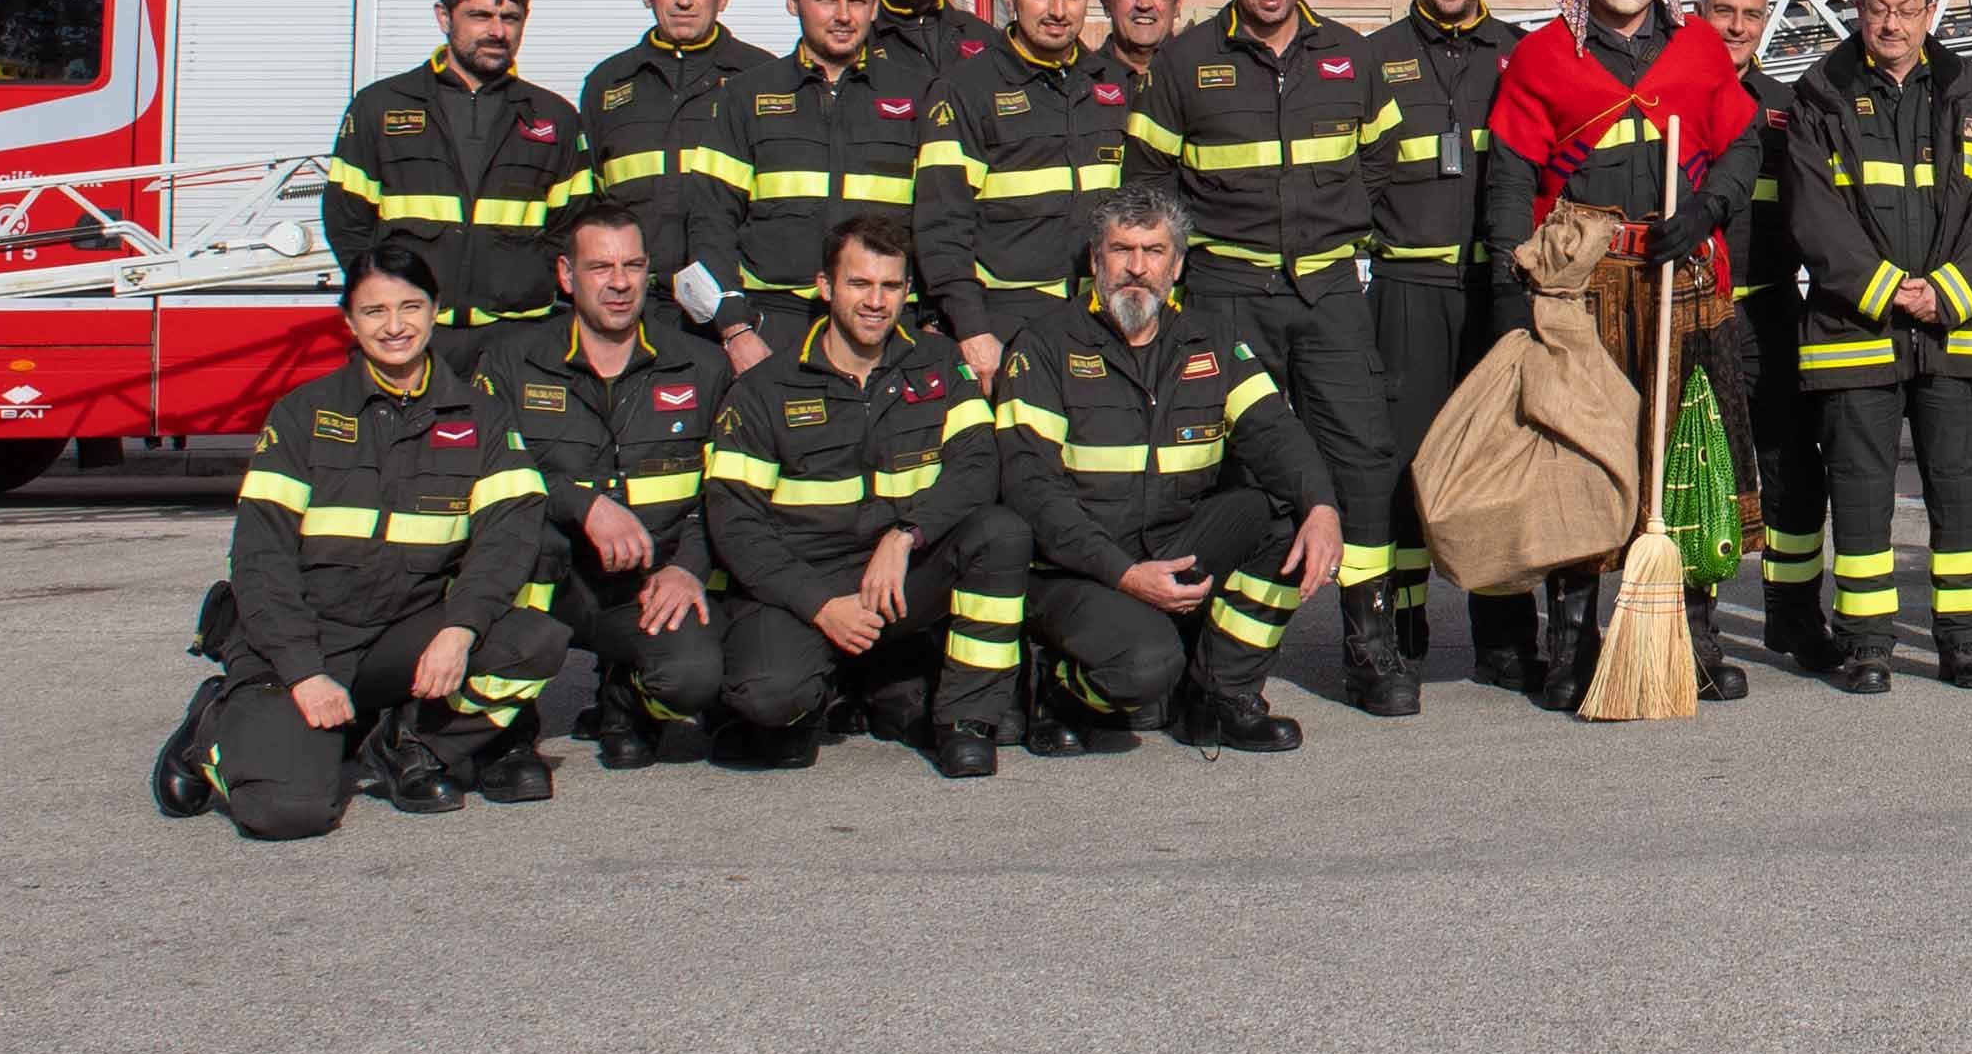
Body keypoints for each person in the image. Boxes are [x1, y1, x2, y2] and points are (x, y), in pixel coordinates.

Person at [152, 232, 571, 836]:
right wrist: (304, 672)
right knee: (288, 813)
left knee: (533, 640)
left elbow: (509, 538)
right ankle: (212, 726)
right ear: (349, 321)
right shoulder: (303, 415)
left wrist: (459, 630)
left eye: (410, 307)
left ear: (435, 310)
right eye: (375, 311)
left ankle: (405, 743)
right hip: (301, 639)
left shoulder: (482, 417)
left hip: (400, 637)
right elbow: (260, 559)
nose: (394, 326)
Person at [1486, 0, 1766, 708]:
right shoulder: (1541, 56)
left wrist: (1707, 210)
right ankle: (1572, 647)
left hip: (1684, 283)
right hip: (1583, 289)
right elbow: (1510, 175)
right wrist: (1517, 284)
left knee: (1692, 456)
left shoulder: (1699, 49)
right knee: (1581, 460)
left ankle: (1694, 641)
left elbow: (1743, 143)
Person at [1144, 0, 1413, 716]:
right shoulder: (1184, 62)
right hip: (1227, 294)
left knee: (1361, 460)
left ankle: (1370, 646)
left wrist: (1332, 229)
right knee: (1231, 467)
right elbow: (1150, 186)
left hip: (1328, 294)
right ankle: (1216, 659)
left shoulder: (1352, 57)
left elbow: (1382, 161)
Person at [999, 183, 1340, 755]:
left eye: (1154, 251)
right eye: (1121, 250)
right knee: (1147, 667)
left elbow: (1275, 434)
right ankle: (1060, 692)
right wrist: (1125, 575)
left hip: (1170, 542)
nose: (1137, 267)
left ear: (1177, 265)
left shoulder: (1213, 340)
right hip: (1075, 569)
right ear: (1095, 260)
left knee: (1285, 520)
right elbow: (1033, 492)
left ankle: (1221, 695)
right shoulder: (1046, 345)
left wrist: (1323, 506)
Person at [699, 210, 1031, 777]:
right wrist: (821, 605)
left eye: (890, 286)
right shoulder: (764, 388)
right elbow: (735, 524)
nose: (876, 301)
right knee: (770, 697)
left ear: (907, 291)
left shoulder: (940, 365)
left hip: (899, 576)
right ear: (825, 287)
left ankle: (966, 720)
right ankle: (830, 689)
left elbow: (978, 467)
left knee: (1000, 534)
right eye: (858, 283)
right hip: (805, 585)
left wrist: (906, 535)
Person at [1782, 0, 1972, 689]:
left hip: (1951, 330)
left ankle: (1966, 642)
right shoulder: (1820, 97)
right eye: (1879, 8)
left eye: (1908, 8)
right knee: (1860, 496)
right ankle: (1866, 645)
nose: (1893, 23)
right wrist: (1889, 290)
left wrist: (1948, 291)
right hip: (1855, 334)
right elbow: (1814, 215)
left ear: (1929, 13)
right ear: (1859, 9)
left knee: (1959, 491)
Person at [475, 196, 724, 768]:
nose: (619, 283)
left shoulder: (701, 367)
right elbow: (487, 477)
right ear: (567, 275)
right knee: (520, 543)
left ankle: (627, 695)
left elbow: (727, 493)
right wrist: (580, 502)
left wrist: (689, 567)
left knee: (694, 678)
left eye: (632, 266)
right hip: (550, 582)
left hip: (649, 582)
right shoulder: (511, 363)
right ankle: (509, 730)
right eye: (600, 267)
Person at [1368, 0, 1528, 687]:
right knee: (1403, 461)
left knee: (1498, 456)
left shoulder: (1522, 53)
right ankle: (1401, 627)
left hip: (1498, 288)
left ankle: (1503, 637)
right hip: (1409, 287)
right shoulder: (1374, 58)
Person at [688, 0, 933, 368]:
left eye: (857, 1)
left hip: (888, 323)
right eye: (826, 0)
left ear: (875, 7)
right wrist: (735, 330)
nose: (843, 15)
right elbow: (712, 220)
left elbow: (940, 219)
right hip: (774, 323)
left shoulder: (919, 94)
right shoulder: (745, 96)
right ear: (792, 1)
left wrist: (933, 319)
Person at [910, 0, 1141, 377]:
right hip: (1006, 321)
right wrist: (973, 330)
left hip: (1102, 317)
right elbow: (941, 224)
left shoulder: (1114, 84)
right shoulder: (965, 89)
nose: (1058, 11)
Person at [325, 0, 592, 335]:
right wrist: (384, 305)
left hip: (519, 335)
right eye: (480, 16)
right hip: (414, 334)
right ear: (444, 17)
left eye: (510, 18)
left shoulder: (555, 118)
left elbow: (575, 229)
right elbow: (347, 222)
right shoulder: (380, 108)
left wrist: (528, 283)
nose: (497, 32)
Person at [1698, 0, 1837, 683]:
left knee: (1794, 469)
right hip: (1695, 310)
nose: (1738, 26)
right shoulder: (1669, 95)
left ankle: (1794, 614)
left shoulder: (1788, 106)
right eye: (1723, 11)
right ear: (1698, 15)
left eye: (1751, 14)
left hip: (1774, 309)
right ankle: (1697, 628)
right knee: (1699, 470)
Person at [571, 0, 773, 316]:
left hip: (734, 305)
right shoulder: (606, 84)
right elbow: (590, 208)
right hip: (634, 306)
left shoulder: (761, 78)